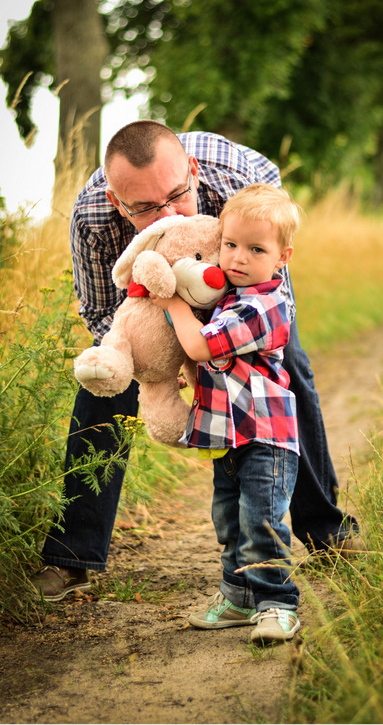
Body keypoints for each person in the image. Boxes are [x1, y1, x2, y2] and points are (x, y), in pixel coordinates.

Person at [32, 120, 363, 602]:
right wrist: (146, 361)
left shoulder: (232, 182)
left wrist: (210, 350)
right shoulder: (92, 219)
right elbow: (103, 311)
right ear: (117, 203)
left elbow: (272, 304)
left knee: (287, 369)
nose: (165, 213)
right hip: (152, 309)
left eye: (176, 196)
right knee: (102, 381)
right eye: (144, 207)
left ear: (191, 171)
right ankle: (70, 556)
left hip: (243, 285)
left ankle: (325, 530)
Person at [149, 183, 301, 643]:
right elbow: (211, 359)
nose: (237, 257)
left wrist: (169, 298)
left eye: (256, 249)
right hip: (230, 433)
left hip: (266, 437)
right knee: (230, 521)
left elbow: (199, 342)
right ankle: (237, 598)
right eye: (230, 245)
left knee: (261, 522)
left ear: (282, 258)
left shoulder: (263, 305)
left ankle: (277, 605)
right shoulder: (232, 297)